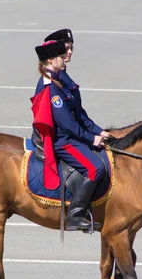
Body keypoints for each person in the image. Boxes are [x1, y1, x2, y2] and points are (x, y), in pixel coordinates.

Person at [31, 40, 108, 231]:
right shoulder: (50, 87)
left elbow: (78, 113)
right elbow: (66, 123)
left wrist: (99, 130)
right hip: (61, 141)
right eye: (61, 56)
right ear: (50, 59)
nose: (65, 58)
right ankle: (75, 214)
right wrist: (92, 139)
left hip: (69, 136)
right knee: (96, 167)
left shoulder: (58, 79)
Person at [42, 28, 110, 147]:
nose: (69, 52)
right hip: (63, 137)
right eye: (66, 48)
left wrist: (98, 130)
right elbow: (65, 120)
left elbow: (78, 112)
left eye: (71, 48)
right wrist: (90, 137)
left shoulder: (62, 75)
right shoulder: (54, 80)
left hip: (75, 132)